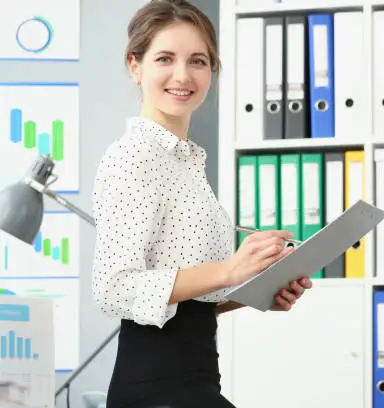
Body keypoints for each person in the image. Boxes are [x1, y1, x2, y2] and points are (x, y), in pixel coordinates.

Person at [91, 0, 313, 407]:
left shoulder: (186, 163)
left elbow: (188, 308)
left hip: (195, 384)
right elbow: (114, 288)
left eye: (197, 60)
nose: (183, 75)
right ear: (135, 66)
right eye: (165, 58)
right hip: (156, 391)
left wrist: (256, 290)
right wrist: (230, 268)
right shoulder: (133, 157)